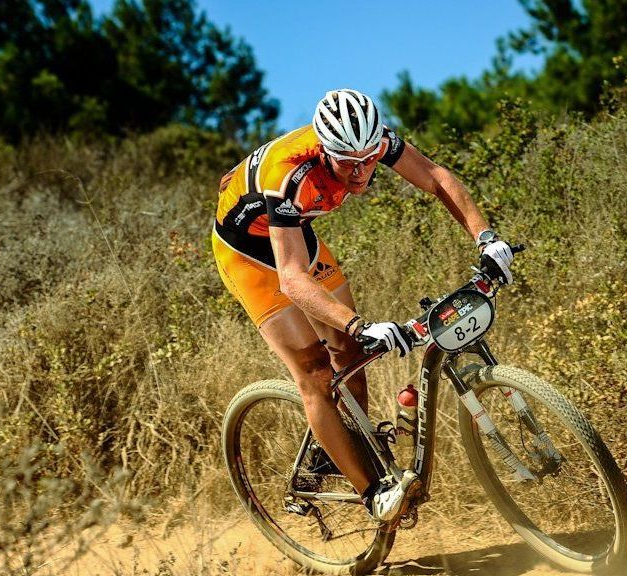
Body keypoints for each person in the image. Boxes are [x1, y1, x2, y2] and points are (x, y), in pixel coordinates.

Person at [212, 89, 514, 526]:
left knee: (350, 353)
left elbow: (433, 176)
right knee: (316, 372)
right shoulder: (289, 176)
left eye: (369, 159)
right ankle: (373, 494)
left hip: (296, 232)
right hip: (246, 253)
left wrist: (487, 238)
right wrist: (359, 323)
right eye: (347, 163)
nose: (360, 172)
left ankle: (347, 447)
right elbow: (291, 279)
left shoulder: (369, 141)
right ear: (323, 150)